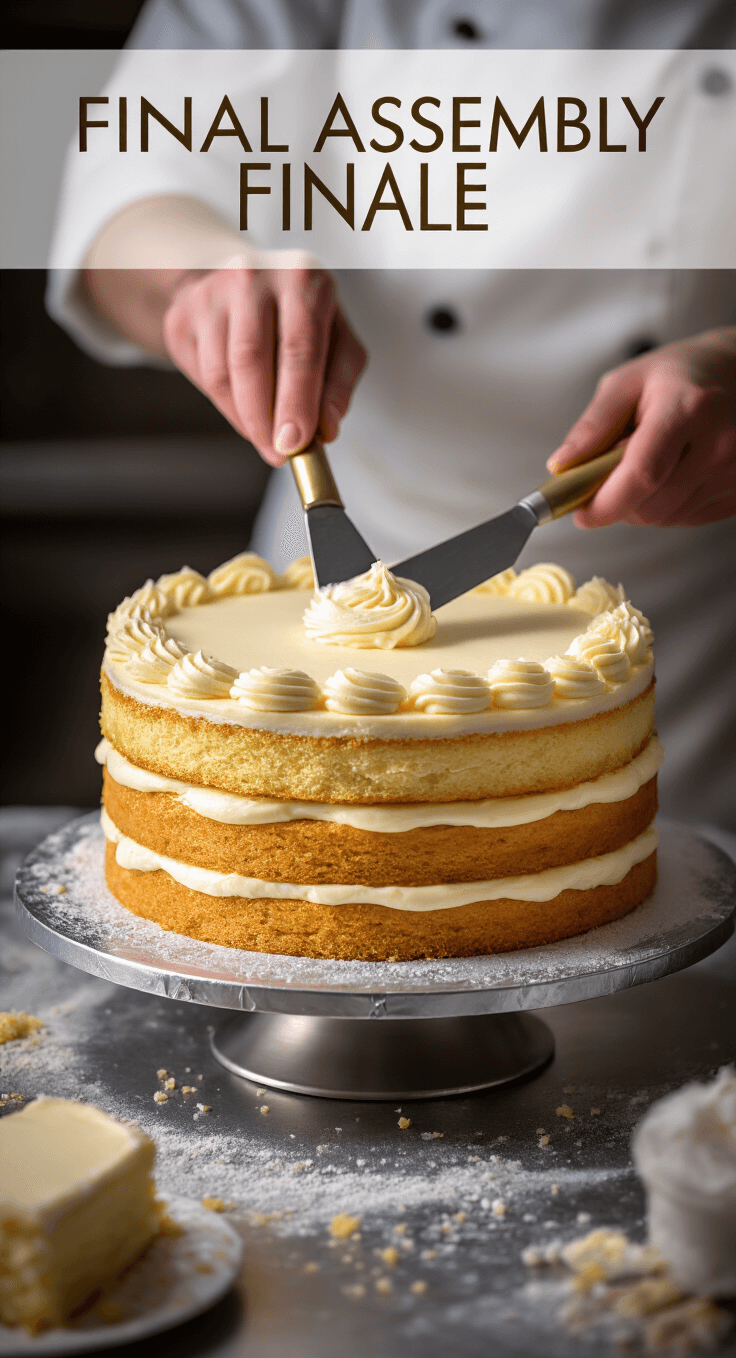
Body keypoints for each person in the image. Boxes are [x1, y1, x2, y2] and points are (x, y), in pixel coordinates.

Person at [46, 0, 736, 828]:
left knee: (637, 866)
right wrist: (202, 277)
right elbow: (135, 166)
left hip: (675, 612)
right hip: (317, 582)